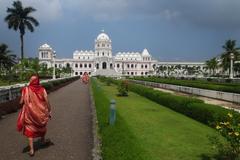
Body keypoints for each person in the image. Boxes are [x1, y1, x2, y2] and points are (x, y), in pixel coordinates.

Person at [17, 75, 51, 156]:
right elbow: (46, 100)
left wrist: (25, 100)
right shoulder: (42, 89)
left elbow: (21, 102)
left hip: (29, 114)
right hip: (40, 113)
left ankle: (32, 150)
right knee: (42, 127)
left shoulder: (26, 89)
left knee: (30, 130)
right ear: (38, 81)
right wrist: (49, 110)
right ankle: (42, 140)